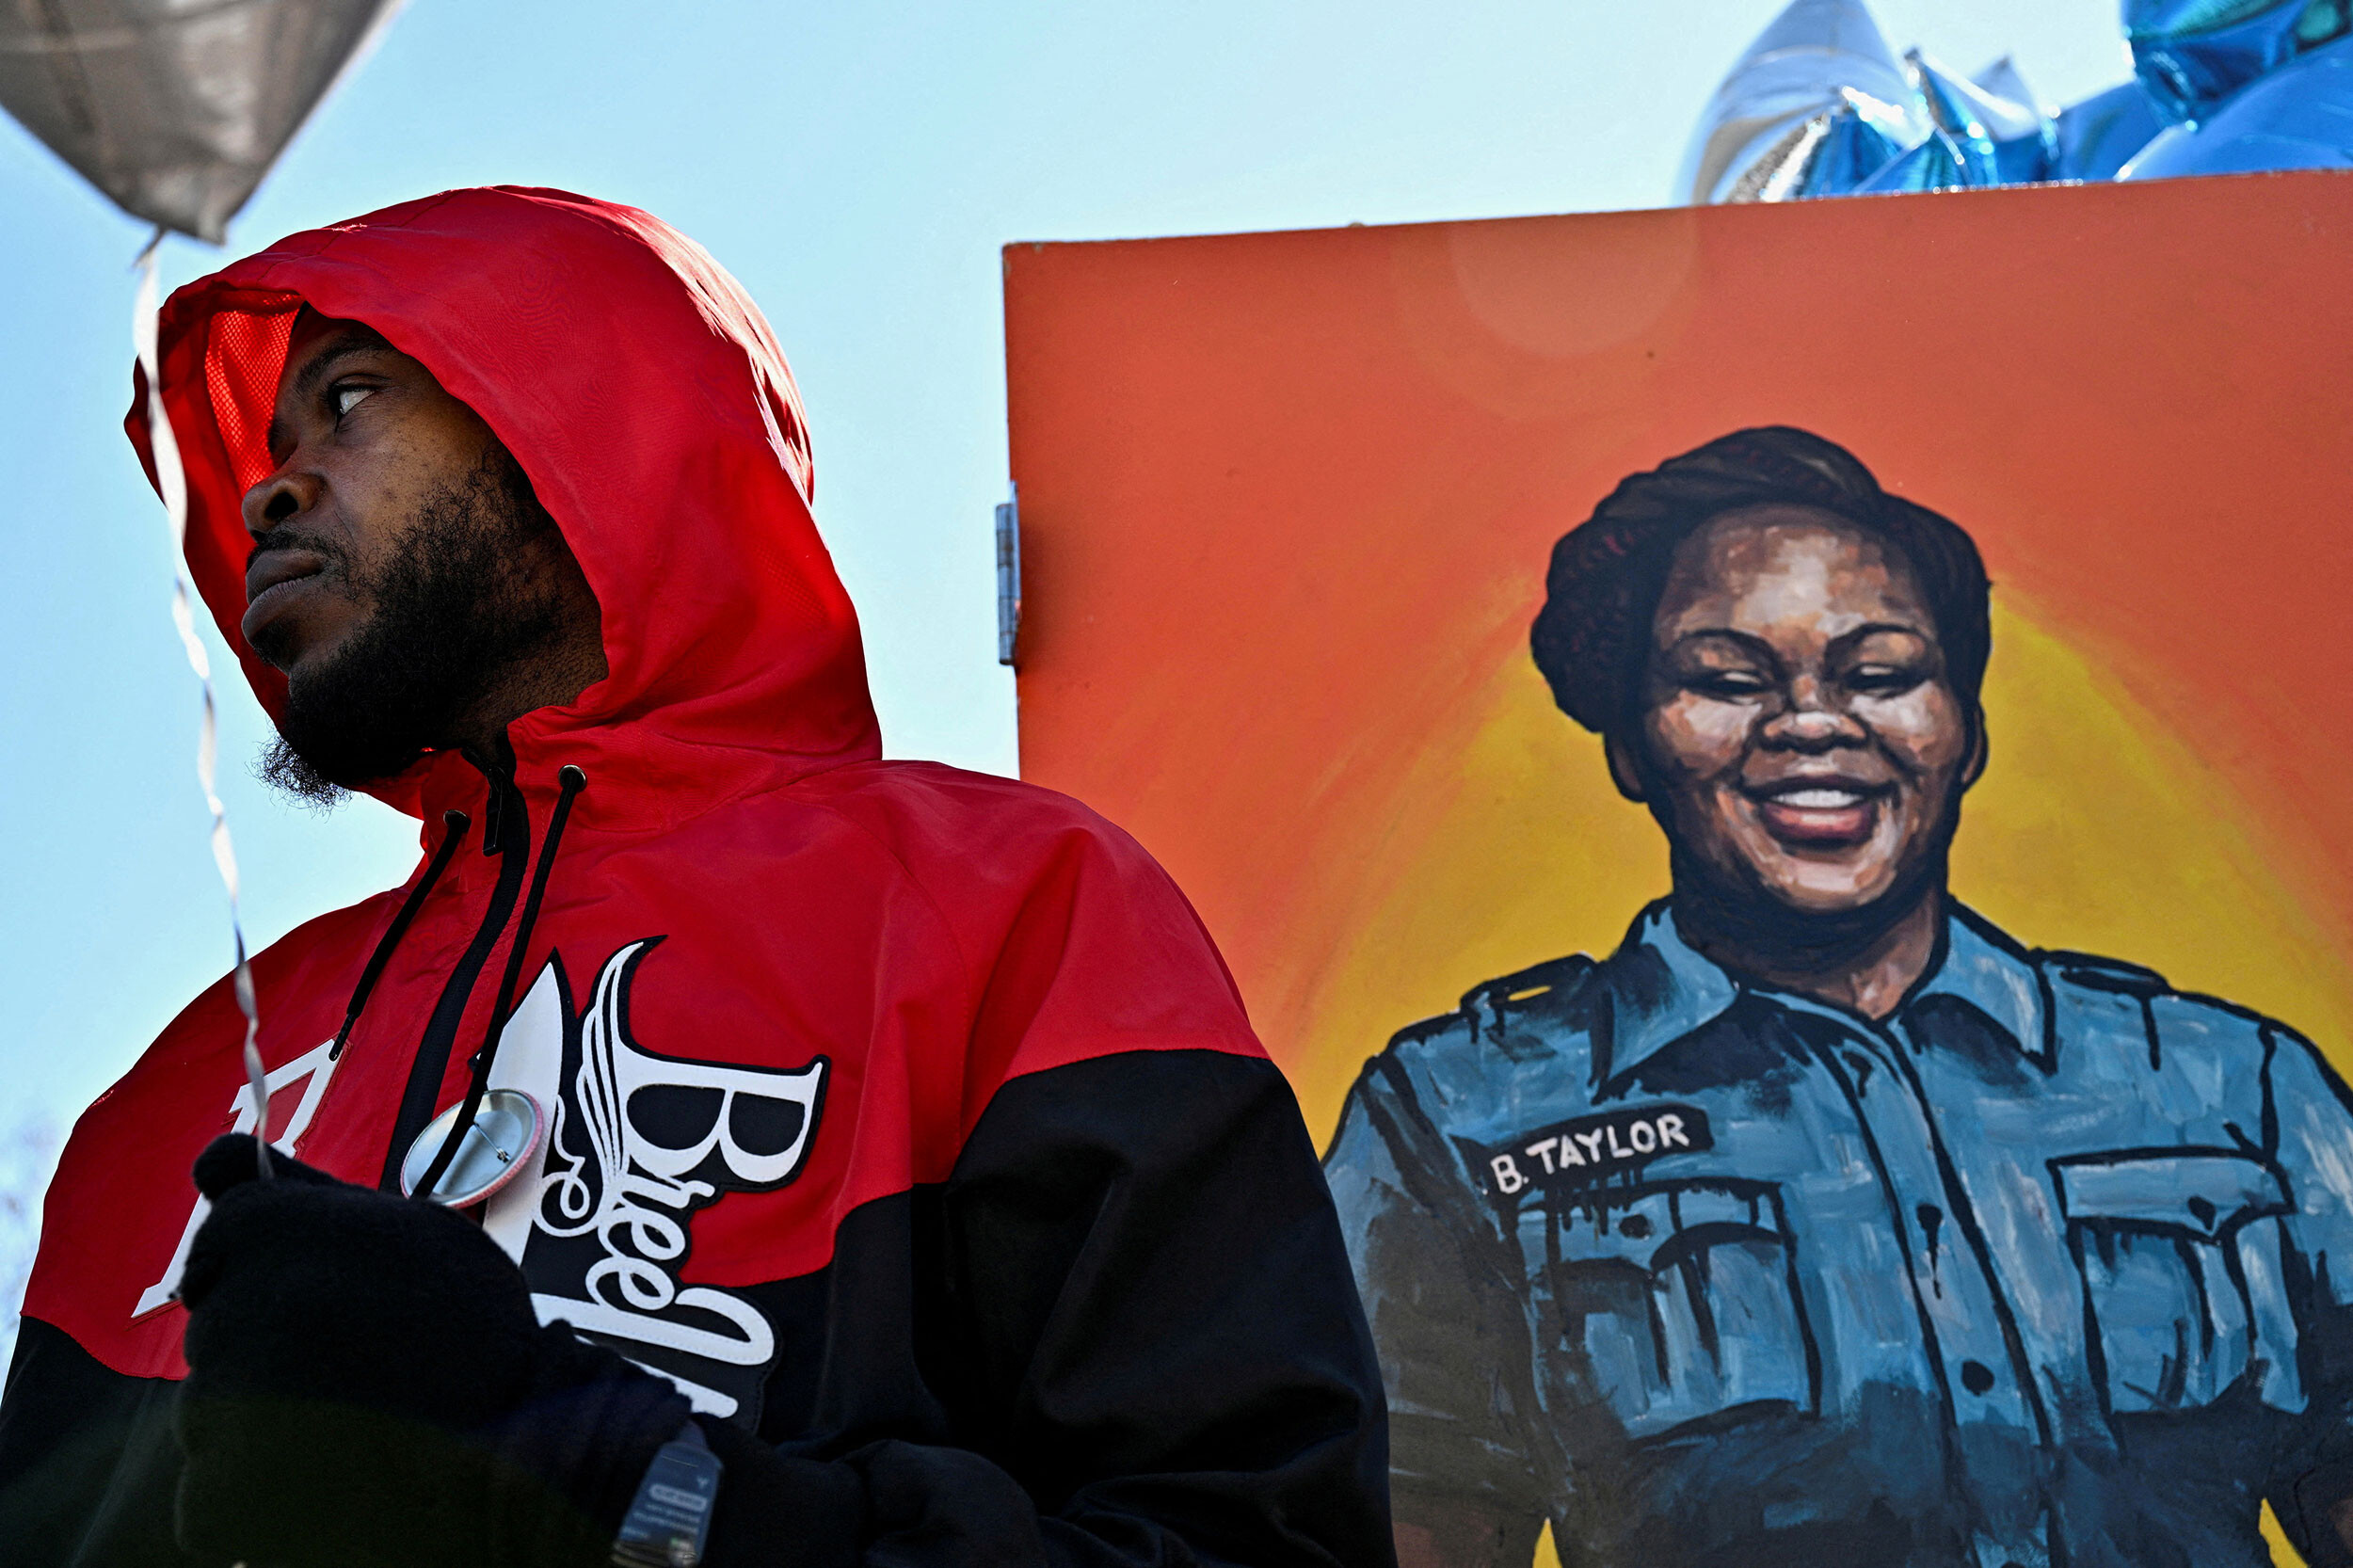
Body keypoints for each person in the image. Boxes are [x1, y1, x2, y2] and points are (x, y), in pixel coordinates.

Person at [0, 187, 1392, 1568]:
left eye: (352, 398)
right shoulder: (166, 1101)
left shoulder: (1013, 905)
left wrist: (607, 1488)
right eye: (270, 439)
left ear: (593, 422)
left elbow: (1257, 1545)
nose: (267, 484)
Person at [1322, 425, 2353, 1568]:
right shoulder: (1459, 1114)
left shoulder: (2237, 1089)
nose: (1811, 723)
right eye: (1724, 679)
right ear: (1629, 745)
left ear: (1964, 732)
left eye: (1879, 674)